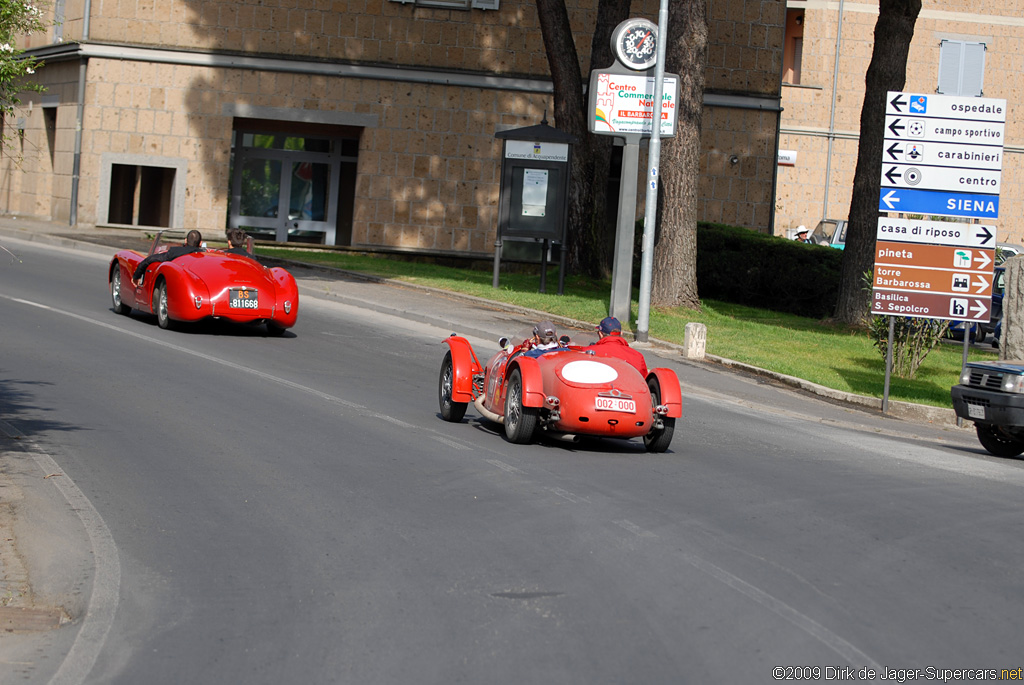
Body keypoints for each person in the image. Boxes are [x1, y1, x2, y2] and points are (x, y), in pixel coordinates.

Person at [582, 316, 649, 377]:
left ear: (600, 334)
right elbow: (644, 383)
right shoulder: (637, 357)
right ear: (621, 334)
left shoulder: (586, 352)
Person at [132, 230, 204, 285]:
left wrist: (136, 276)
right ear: (200, 243)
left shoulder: (175, 252)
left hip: (175, 282)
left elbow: (150, 259)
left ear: (185, 241)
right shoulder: (204, 255)